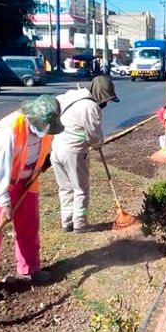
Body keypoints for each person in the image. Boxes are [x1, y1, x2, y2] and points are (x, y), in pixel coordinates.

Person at [0, 94, 64, 299]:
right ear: (32, 119)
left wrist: (45, 160)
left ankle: (29, 269)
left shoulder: (46, 127)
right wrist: (4, 202)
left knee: (29, 223)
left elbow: (44, 148)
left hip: (27, 179)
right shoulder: (9, 132)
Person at [51, 75, 120, 232]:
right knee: (80, 188)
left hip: (56, 149)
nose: (106, 103)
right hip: (73, 152)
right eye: (106, 99)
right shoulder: (90, 106)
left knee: (65, 188)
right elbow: (93, 134)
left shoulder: (70, 96)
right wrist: (98, 144)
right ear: (100, 94)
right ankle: (80, 223)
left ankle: (67, 222)